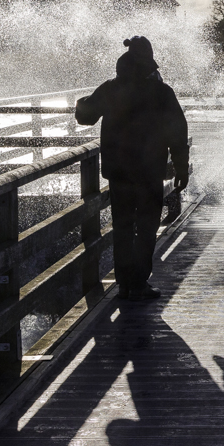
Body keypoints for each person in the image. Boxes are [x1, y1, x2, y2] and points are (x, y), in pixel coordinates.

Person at [76, 36, 189, 301]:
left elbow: (85, 116)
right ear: (149, 60)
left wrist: (85, 99)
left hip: (119, 173)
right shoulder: (161, 92)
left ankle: (125, 284)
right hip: (149, 172)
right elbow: (177, 131)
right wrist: (181, 168)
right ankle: (138, 283)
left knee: (123, 228)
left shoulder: (111, 88)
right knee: (147, 228)